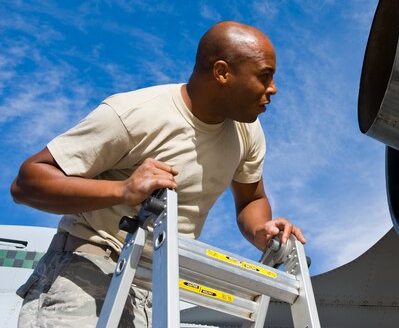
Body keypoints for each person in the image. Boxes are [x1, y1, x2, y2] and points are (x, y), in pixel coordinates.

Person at [10, 21, 305, 327]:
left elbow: (251, 199)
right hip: (88, 268)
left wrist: (262, 231)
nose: (273, 88)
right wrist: (123, 191)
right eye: (264, 76)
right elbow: (26, 182)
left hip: (156, 285)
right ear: (222, 73)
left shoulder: (248, 132)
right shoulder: (133, 114)